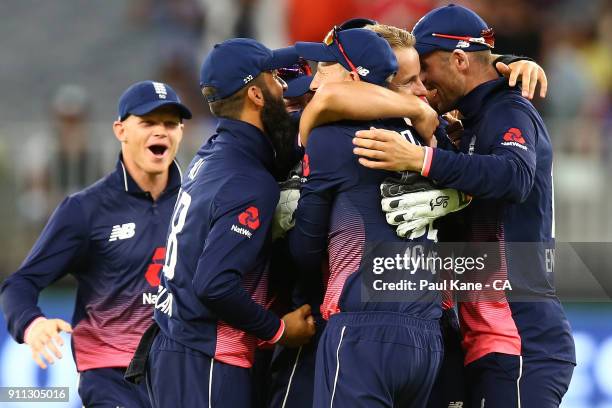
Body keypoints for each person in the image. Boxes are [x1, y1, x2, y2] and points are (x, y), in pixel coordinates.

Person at [340, 5, 575, 407]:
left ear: (461, 61)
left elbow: (513, 177)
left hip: (520, 339)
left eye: (426, 68)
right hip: (483, 339)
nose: (424, 83)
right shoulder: (470, 121)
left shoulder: (508, 110)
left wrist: (421, 160)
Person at [139, 38, 316, 408]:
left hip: (177, 347)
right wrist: (280, 330)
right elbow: (214, 285)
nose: (283, 86)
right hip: (206, 357)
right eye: (273, 78)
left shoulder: (215, 151)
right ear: (255, 94)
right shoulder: (249, 181)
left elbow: (282, 137)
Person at [0, 80, 192, 407]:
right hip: (112, 380)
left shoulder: (199, 203)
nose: (161, 132)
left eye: (170, 123)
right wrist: (31, 323)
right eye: (148, 122)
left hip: (184, 374)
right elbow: (20, 283)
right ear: (120, 130)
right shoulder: (85, 210)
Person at [289, 27, 445, 408]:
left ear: (354, 76)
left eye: (327, 66)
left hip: (363, 330)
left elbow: (305, 251)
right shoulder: (421, 138)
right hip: (426, 334)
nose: (317, 74)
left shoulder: (334, 138)